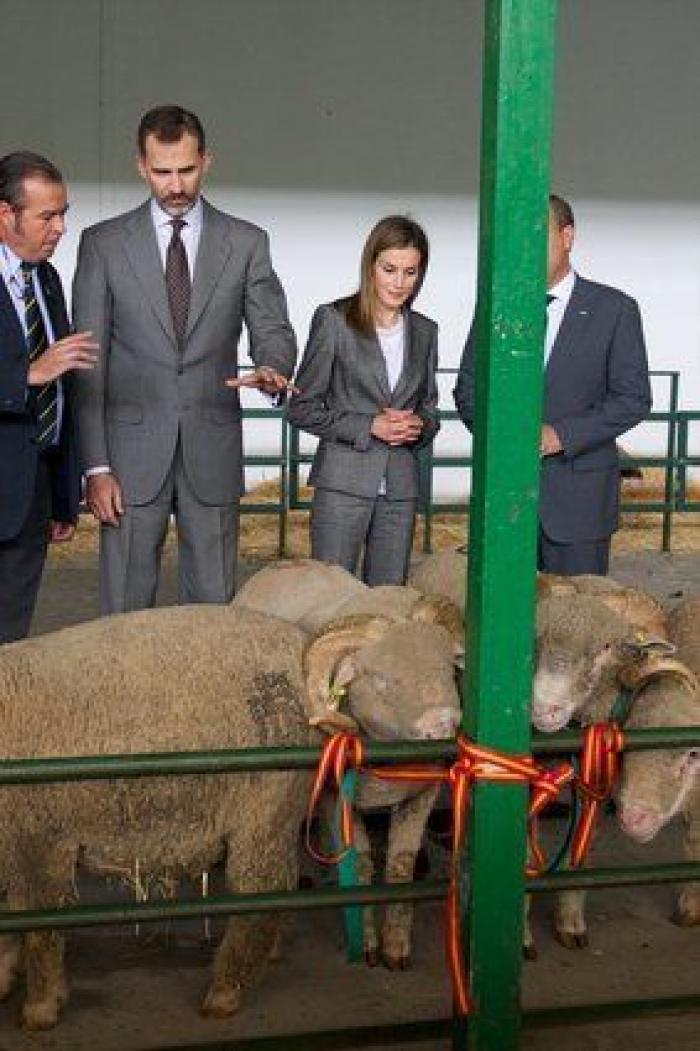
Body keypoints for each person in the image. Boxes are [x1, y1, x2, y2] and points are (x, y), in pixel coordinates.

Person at [72, 105, 297, 613]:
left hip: (211, 447)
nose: (175, 185)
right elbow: (88, 364)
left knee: (214, 608)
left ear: (207, 161)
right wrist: (96, 467)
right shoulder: (102, 246)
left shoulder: (246, 242)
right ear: (141, 167)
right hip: (127, 459)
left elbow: (273, 328)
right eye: (162, 171)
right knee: (124, 613)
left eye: (186, 170)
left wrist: (272, 367)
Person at [453, 193, 651, 576]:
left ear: (567, 236)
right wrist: (504, 438)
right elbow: (468, 389)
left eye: (536, 233)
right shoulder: (495, 306)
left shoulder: (615, 310)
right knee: (502, 628)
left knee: (575, 624)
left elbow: (633, 398)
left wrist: (560, 435)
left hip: (579, 506)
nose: (525, 247)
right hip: (503, 502)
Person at [287, 215, 439, 585]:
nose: (400, 282)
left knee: (387, 600)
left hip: (400, 490)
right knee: (329, 597)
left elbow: (431, 409)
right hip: (342, 485)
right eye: (390, 269)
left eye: (410, 272)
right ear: (370, 265)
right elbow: (301, 407)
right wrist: (369, 425)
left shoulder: (425, 330)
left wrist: (420, 425)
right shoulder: (334, 320)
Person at [0, 152, 97, 643]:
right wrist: (26, 375)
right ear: (4, 214)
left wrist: (63, 496)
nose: (60, 228)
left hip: (31, 494)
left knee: (12, 643)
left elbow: (64, 392)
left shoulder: (47, 279)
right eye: (47, 216)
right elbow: (42, 373)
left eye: (63, 214)